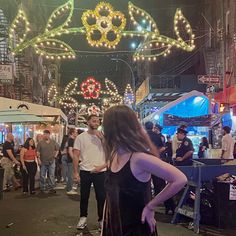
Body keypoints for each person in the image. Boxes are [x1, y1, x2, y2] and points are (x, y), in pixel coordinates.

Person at [102, 105, 187, 236]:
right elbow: (110, 197)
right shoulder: (113, 154)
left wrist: (151, 205)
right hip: (114, 227)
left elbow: (179, 179)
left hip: (136, 229)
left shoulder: (138, 158)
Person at [73, 115, 107, 230]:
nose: (96, 123)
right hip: (85, 171)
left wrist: (102, 139)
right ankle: (83, 217)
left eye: (98, 121)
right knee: (84, 196)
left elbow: (111, 153)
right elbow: (76, 155)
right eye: (94, 121)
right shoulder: (80, 137)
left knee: (101, 197)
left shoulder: (103, 137)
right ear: (88, 122)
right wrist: (75, 172)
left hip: (101, 171)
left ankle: (101, 220)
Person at [61, 129, 78, 195]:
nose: (76, 133)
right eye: (76, 132)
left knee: (68, 173)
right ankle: (69, 189)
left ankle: (69, 187)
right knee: (70, 174)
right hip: (69, 158)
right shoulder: (71, 140)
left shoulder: (68, 139)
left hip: (65, 157)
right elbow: (70, 151)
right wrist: (74, 159)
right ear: (72, 133)